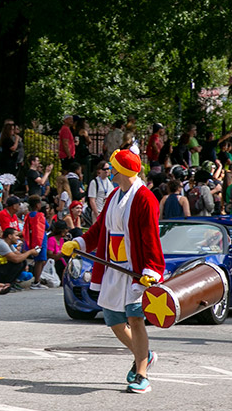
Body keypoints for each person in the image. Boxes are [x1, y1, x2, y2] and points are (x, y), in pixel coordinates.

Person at [60, 149, 165, 394]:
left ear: (123, 170)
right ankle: (145, 355)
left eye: (113, 167)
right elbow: (100, 229)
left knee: (136, 319)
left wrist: (151, 268)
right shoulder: (114, 194)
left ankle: (141, 374)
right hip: (113, 268)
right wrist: (81, 243)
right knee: (115, 322)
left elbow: (151, 238)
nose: (110, 171)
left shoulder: (145, 198)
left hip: (136, 269)